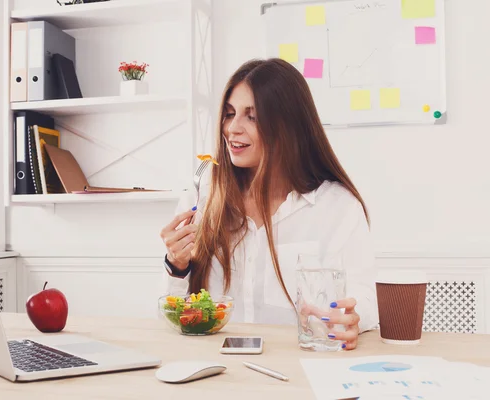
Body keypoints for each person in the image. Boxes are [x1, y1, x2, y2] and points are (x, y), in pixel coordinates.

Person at [159, 58, 378, 350]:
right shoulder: (202, 196)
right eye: (229, 114)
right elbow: (172, 314)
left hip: (299, 371)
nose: (232, 128)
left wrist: (352, 319)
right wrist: (176, 265)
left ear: (289, 126)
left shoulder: (338, 207)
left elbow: (366, 302)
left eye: (252, 116)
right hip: (214, 369)